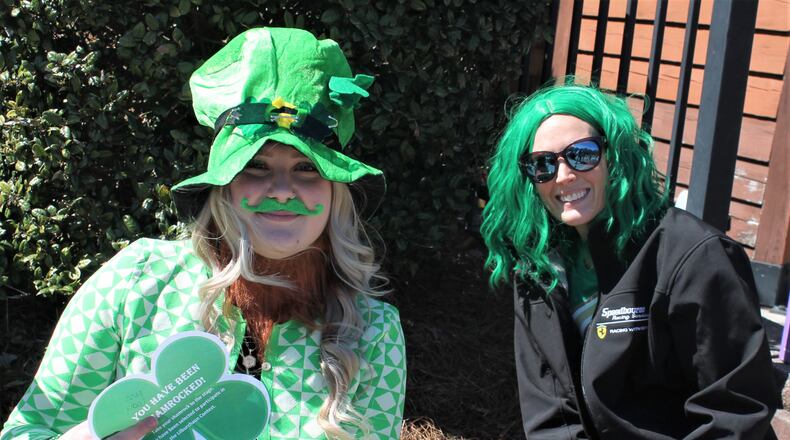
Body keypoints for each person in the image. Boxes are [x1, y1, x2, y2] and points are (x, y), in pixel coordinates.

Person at [1, 27, 406, 440]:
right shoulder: (137, 282)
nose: (283, 190)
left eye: (308, 168)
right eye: (256, 166)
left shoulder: (373, 332)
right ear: (223, 187)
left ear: (335, 192)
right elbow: (30, 431)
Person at [481, 82, 778, 439]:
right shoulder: (539, 270)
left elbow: (734, 413)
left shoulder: (695, 256)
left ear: (616, 155)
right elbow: (551, 416)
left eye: (583, 154)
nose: (563, 175)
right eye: (542, 164)